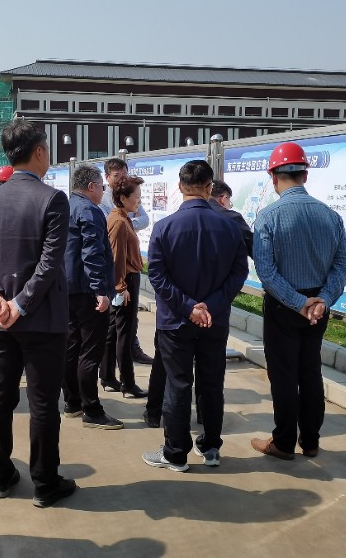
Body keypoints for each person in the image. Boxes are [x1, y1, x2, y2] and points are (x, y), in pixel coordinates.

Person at [0, 119, 76, 508]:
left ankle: (0, 476)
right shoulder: (52, 199)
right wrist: (19, 302)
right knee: (44, 402)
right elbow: (50, 262)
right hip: (41, 319)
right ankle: (45, 483)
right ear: (40, 152)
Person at [142, 160, 248, 472]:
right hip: (214, 321)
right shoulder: (229, 226)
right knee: (212, 384)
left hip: (175, 321)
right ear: (209, 188)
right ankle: (211, 447)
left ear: (180, 187)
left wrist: (189, 307)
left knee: (178, 384)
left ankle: (175, 453)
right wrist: (209, 306)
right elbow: (238, 273)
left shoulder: (165, 227)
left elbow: (157, 276)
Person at [250, 141, 346, 460]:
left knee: (283, 375)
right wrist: (322, 299)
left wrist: (297, 302)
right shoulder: (330, 216)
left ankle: (283, 442)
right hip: (317, 306)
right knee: (310, 371)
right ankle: (310, 441)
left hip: (284, 304)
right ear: (305, 175)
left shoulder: (268, 217)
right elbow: (343, 265)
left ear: (273, 177)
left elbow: (266, 271)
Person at [63, 164, 123, 430]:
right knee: (90, 350)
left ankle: (73, 402)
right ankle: (92, 409)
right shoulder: (89, 210)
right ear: (91, 187)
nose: (103, 190)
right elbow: (92, 252)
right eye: (102, 186)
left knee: (72, 347)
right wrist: (100, 289)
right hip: (88, 290)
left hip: (68, 289)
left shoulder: (66, 206)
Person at [98, 158, 155, 366]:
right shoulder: (112, 211)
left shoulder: (125, 211)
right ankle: (123, 370)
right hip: (122, 276)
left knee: (121, 324)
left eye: (124, 174)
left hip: (126, 274)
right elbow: (116, 253)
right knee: (120, 325)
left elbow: (145, 220)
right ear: (107, 177)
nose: (122, 179)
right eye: (117, 176)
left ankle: (113, 368)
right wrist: (121, 286)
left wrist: (130, 222)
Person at [209, 179, 253, 257]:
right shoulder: (233, 218)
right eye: (230, 204)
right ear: (223, 199)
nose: (229, 207)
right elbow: (253, 247)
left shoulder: (190, 214)